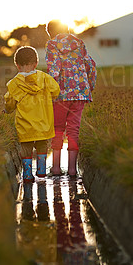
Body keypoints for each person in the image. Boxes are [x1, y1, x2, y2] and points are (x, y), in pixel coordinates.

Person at [45, 20, 96, 176]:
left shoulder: (52, 45)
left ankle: (55, 168)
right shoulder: (79, 43)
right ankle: (73, 170)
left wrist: (48, 90)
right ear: (67, 30)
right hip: (80, 92)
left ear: (49, 33)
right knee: (74, 129)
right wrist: (89, 87)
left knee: (58, 129)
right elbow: (90, 65)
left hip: (61, 94)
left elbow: (54, 69)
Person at [4, 46, 60, 182]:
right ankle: (41, 172)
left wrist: (8, 110)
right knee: (42, 145)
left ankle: (27, 175)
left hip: (25, 125)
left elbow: (9, 102)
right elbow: (56, 90)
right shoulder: (45, 79)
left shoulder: (14, 84)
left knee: (26, 148)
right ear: (36, 63)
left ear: (17, 65)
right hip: (43, 123)